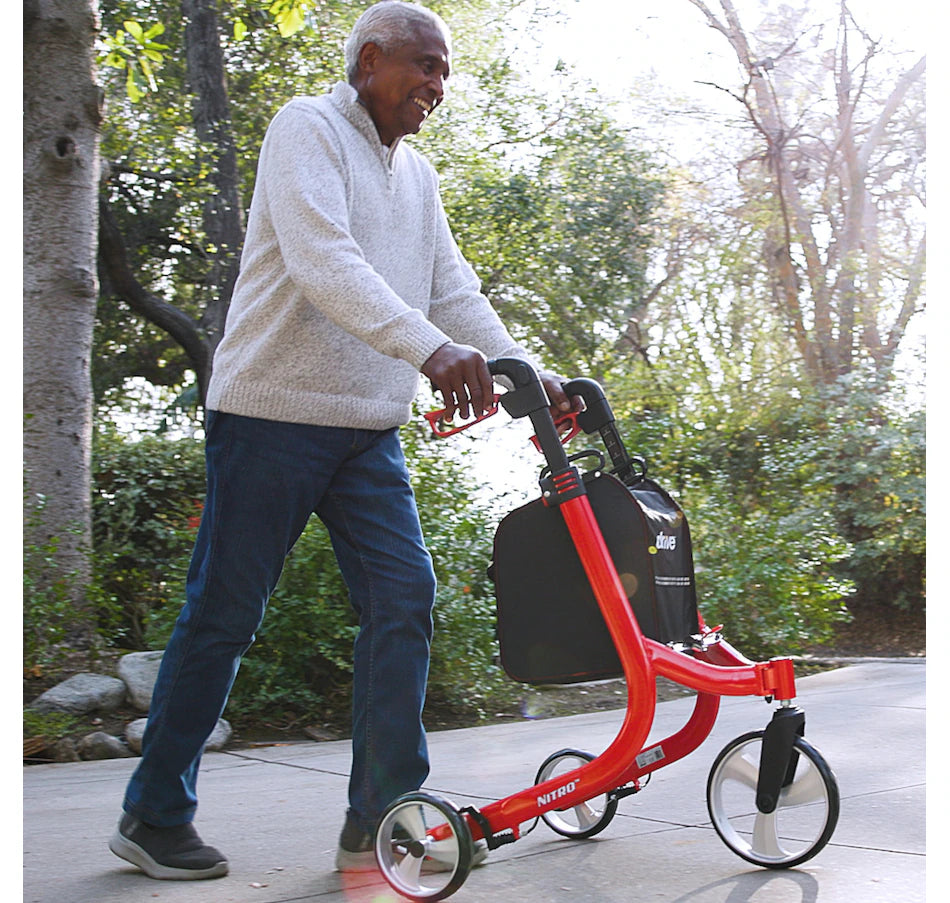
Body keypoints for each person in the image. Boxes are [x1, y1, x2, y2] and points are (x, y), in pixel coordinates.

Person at [108, 0, 575, 881]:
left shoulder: (418, 175)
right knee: (224, 615)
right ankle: (153, 812)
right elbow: (326, 260)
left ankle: (382, 816)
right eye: (423, 65)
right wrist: (431, 352)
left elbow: (454, 289)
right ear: (367, 62)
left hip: (365, 431)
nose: (437, 85)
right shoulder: (306, 128)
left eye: (444, 71)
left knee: (405, 596)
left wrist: (528, 370)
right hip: (270, 416)